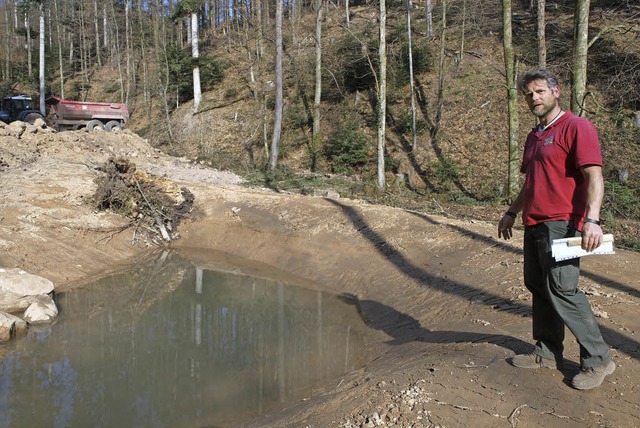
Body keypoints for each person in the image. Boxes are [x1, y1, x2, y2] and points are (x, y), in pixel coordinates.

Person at [497, 68, 615, 390]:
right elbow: (530, 182)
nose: (534, 98)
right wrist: (511, 212)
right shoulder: (534, 136)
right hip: (534, 222)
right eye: (528, 94)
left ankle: (599, 360)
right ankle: (547, 351)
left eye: (540, 91)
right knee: (538, 286)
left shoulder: (577, 127)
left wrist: (592, 220)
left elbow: (594, 176)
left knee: (563, 289)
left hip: (563, 223)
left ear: (556, 91)